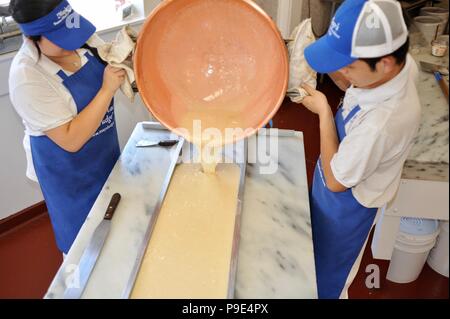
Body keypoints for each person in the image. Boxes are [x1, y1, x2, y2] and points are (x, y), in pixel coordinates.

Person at [301, 0, 421, 298]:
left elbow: (336, 181)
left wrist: (324, 112)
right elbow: (357, 86)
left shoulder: (380, 124)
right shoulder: (400, 65)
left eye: (349, 66)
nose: (341, 72)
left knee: (326, 280)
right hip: (346, 168)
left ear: (384, 64)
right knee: (308, 252)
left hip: (349, 206)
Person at [9, 0, 126, 254]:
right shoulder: (26, 78)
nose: (72, 42)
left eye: (72, 31)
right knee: (85, 246)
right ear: (32, 38)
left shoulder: (78, 37)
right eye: (61, 38)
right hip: (69, 174)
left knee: (120, 227)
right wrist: (107, 90)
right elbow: (70, 139)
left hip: (104, 153)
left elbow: (106, 56)